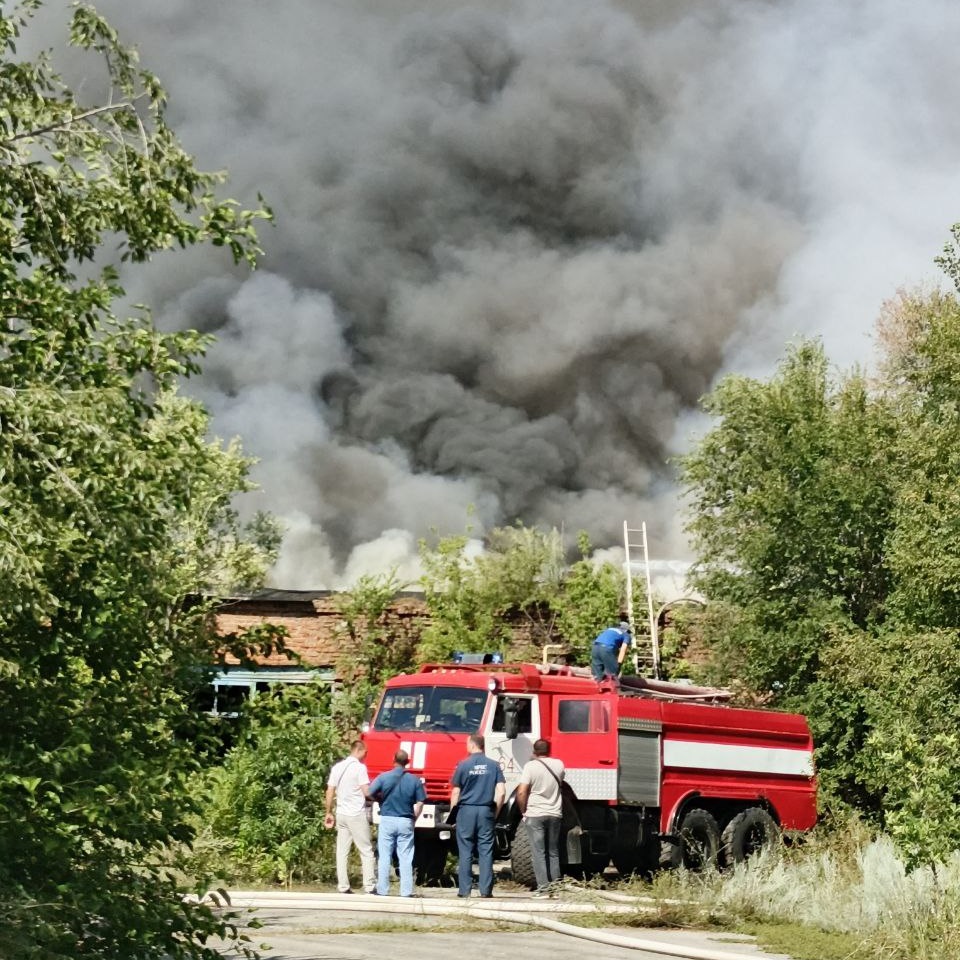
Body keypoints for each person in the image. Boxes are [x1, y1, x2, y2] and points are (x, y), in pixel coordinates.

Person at [450, 733, 506, 898]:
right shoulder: (494, 765)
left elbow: (456, 792)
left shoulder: (463, 765)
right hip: (485, 811)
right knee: (486, 850)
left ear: (473, 745)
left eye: (467, 743)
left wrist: (453, 815)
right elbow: (502, 792)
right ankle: (486, 891)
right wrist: (495, 813)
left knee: (465, 850)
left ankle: (464, 890)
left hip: (466, 811)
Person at [368, 749, 426, 897]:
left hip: (387, 819)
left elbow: (369, 792)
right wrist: (414, 818)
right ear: (408, 762)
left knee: (385, 855)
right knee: (406, 856)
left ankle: (382, 890)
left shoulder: (383, 777)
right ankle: (406, 891)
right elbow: (420, 802)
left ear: (393, 760)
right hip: (406, 820)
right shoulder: (415, 780)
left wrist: (379, 800)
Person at [324, 740, 376, 895]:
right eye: (365, 752)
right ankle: (369, 885)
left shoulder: (337, 767)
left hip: (341, 813)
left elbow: (330, 790)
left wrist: (328, 812)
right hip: (356, 814)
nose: (366, 755)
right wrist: (378, 795)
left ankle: (343, 886)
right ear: (358, 750)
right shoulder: (360, 768)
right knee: (366, 850)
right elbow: (366, 791)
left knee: (342, 851)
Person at [516, 739, 565, 898]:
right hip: (555, 813)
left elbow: (522, 791)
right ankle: (555, 889)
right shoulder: (559, 764)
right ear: (549, 750)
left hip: (535, 813)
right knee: (553, 852)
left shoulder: (530, 766)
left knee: (539, 853)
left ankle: (543, 889)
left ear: (534, 751)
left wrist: (523, 811)